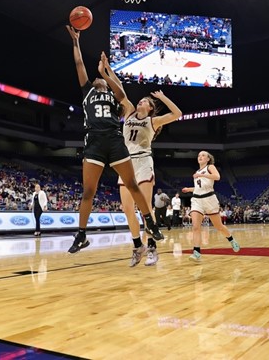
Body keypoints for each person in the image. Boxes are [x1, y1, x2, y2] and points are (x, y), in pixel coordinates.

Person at [65, 25, 162, 254]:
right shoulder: (87, 90)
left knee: (132, 185)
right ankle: (81, 236)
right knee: (89, 191)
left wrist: (107, 72)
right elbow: (79, 65)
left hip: (115, 140)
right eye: (97, 78)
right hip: (94, 143)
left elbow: (122, 93)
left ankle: (150, 222)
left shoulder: (114, 98)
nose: (98, 79)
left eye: (102, 80)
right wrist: (76, 42)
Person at [99, 52, 182, 265]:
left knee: (145, 206)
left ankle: (153, 248)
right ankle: (138, 246)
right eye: (141, 100)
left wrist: (162, 97)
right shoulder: (128, 111)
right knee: (127, 209)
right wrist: (106, 71)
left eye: (145, 101)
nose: (140, 101)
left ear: (150, 107)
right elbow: (118, 87)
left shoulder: (154, 121)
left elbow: (178, 113)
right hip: (126, 162)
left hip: (144, 161)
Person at [181, 151, 240, 262]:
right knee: (195, 227)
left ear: (208, 159)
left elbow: (217, 177)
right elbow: (199, 188)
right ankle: (197, 252)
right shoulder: (197, 172)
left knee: (219, 226)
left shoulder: (210, 167)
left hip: (209, 199)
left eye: (203, 155)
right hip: (197, 200)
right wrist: (189, 189)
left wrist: (201, 175)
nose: (200, 157)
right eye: (199, 155)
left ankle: (232, 240)